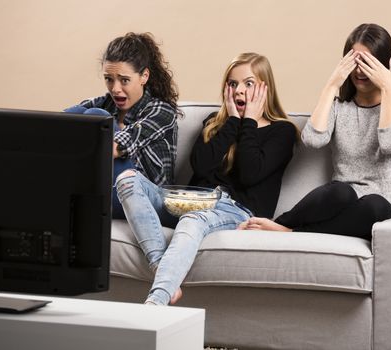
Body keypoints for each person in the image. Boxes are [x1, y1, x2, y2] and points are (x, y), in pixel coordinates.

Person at [116, 52, 298, 305]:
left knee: (193, 219)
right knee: (127, 179)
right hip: (188, 199)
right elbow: (201, 166)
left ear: (266, 88)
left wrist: (250, 123)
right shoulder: (215, 123)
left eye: (248, 83)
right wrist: (233, 120)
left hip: (233, 209)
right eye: (233, 84)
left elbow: (249, 173)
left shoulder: (283, 131)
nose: (239, 91)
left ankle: (155, 304)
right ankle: (161, 268)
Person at [239, 23, 391, 240]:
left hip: (380, 211)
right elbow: (312, 140)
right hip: (341, 205)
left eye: (367, 62)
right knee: (339, 191)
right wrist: (332, 86)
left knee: (375, 204)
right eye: (354, 61)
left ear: (384, 64)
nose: (359, 70)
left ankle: (290, 232)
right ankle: (282, 224)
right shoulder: (340, 106)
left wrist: (388, 88)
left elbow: (390, 142)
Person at [64, 32, 179, 219]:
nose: (115, 88)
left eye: (124, 80)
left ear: (144, 76)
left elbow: (116, 147)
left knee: (97, 117)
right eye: (109, 79)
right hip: (104, 189)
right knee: (80, 115)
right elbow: (60, 123)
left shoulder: (162, 111)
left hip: (146, 200)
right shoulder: (105, 102)